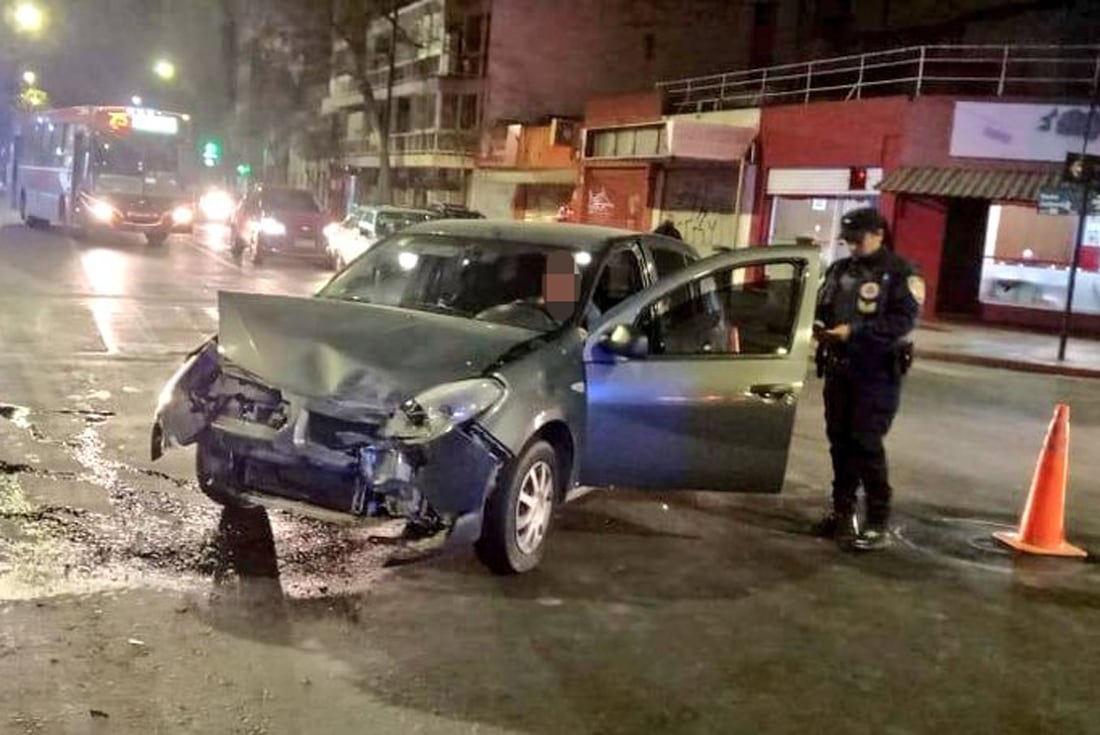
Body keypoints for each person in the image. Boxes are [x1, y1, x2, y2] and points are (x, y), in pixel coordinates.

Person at [812, 207, 923, 551]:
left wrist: (854, 332)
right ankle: (841, 511)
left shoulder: (900, 273)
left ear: (878, 234)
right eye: (848, 241)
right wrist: (819, 327)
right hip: (839, 369)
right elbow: (822, 307)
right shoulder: (840, 269)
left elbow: (902, 321)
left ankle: (877, 521)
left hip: (876, 372)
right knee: (839, 441)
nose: (853, 247)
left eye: (858, 240)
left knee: (866, 444)